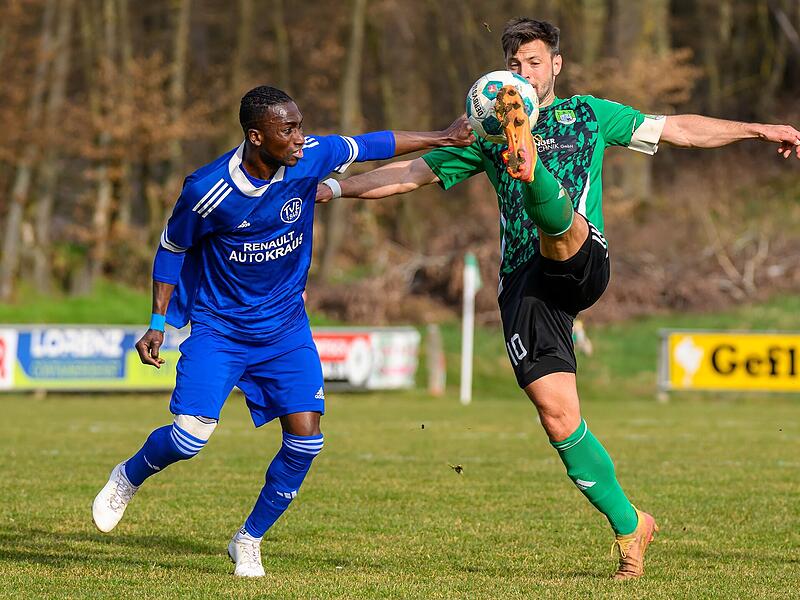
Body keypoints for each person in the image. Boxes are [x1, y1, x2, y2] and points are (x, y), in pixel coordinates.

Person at [316, 18, 800, 580]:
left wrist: (759, 130)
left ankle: (533, 171)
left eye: (534, 63)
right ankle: (630, 526)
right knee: (558, 417)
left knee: (560, 231)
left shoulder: (589, 115)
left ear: (556, 66)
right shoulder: (483, 132)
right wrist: (329, 186)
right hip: (525, 283)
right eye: (515, 65)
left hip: (580, 258)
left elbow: (679, 130)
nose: (524, 72)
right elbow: (409, 173)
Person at [91, 85, 473, 578]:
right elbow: (171, 249)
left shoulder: (309, 158)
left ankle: (248, 539)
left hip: (286, 328)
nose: (299, 137)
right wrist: (157, 323)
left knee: (306, 440)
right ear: (256, 136)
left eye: (299, 125)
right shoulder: (208, 190)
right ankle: (128, 476)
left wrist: (442, 136)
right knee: (189, 438)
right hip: (221, 328)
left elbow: (373, 143)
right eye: (287, 129)